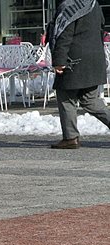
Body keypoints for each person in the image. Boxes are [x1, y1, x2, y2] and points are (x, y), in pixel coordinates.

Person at [47, 0, 110, 149]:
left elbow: (64, 35)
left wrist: (59, 60)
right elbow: (101, 28)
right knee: (91, 101)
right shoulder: (94, 4)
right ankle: (70, 136)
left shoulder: (69, 7)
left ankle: (70, 138)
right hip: (94, 59)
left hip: (75, 60)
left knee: (66, 97)